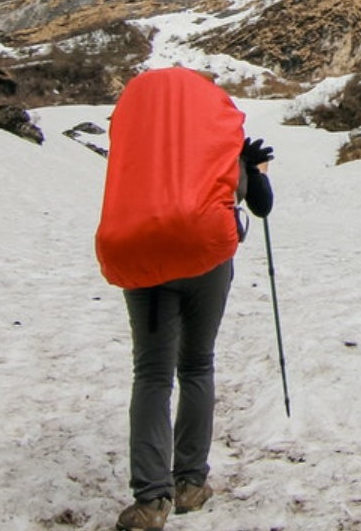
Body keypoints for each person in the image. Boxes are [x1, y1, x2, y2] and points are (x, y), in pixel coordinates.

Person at [95, 67, 274, 531]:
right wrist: (251, 169)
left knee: (151, 375)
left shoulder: (140, 142)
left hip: (142, 256)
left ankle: (151, 500)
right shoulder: (220, 145)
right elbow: (262, 206)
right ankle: (190, 483)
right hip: (206, 261)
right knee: (196, 365)